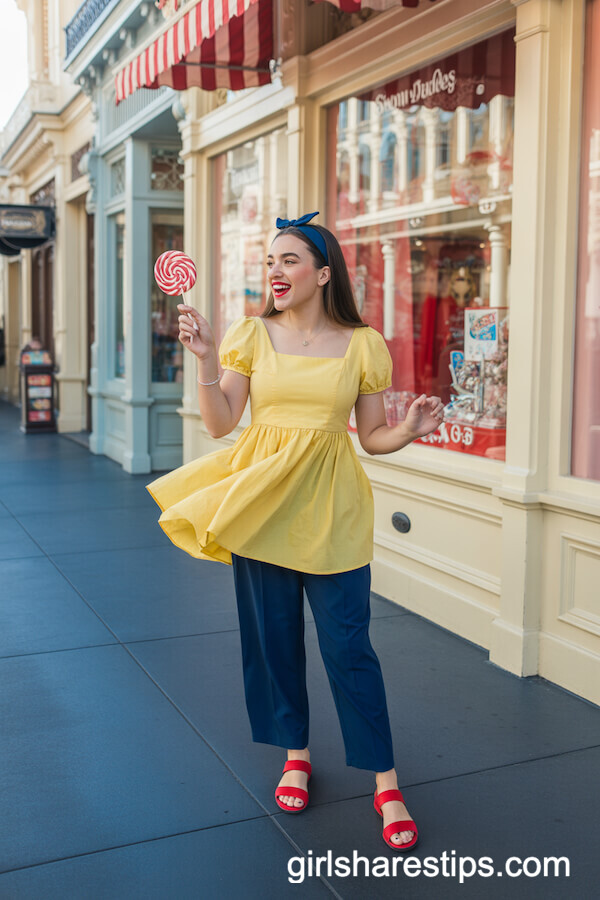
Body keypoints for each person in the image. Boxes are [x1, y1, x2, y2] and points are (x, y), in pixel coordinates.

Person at [146, 212, 445, 852]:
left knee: (349, 648)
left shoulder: (362, 344)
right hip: (264, 508)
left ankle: (385, 780)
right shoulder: (250, 335)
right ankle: (296, 754)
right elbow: (223, 422)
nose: (275, 272)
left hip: (334, 509)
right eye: (270, 262)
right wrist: (203, 360)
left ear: (323, 273)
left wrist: (410, 431)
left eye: (288, 261)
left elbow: (371, 436)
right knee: (273, 642)